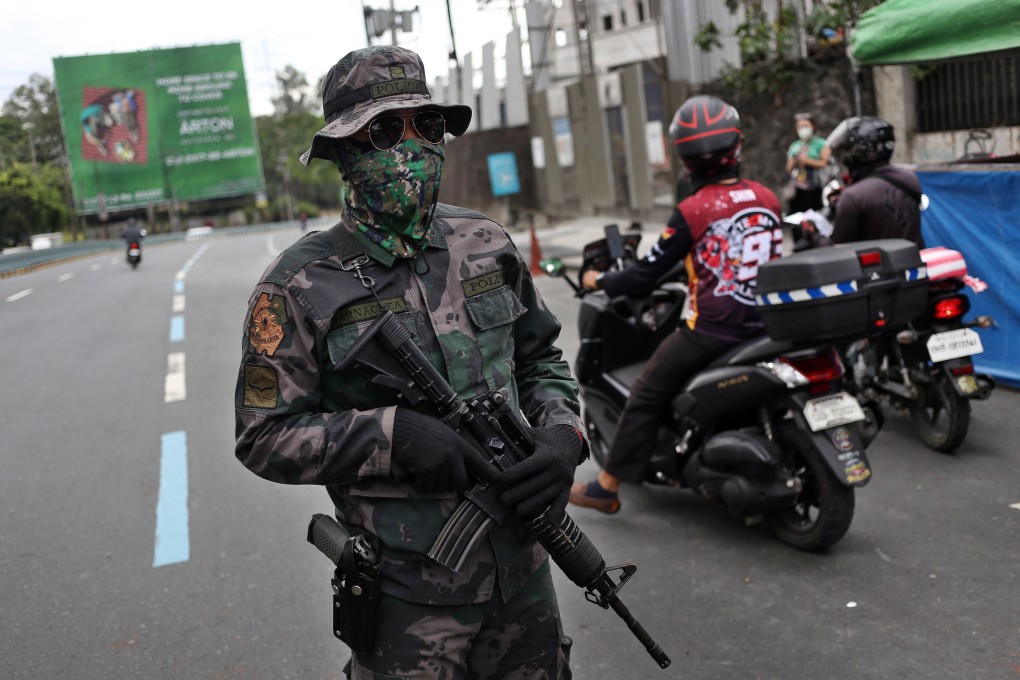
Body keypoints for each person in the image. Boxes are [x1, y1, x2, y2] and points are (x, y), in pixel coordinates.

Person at [233, 45, 585, 679]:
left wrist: (563, 434)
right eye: (385, 131)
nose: (413, 144)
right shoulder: (297, 284)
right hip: (407, 595)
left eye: (429, 125)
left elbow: (540, 357)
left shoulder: (483, 242)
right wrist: (390, 438)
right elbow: (262, 437)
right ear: (342, 154)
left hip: (524, 568)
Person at [570, 94, 783, 514]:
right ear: (736, 146)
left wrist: (601, 279)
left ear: (686, 158)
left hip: (715, 331)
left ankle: (607, 487)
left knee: (647, 392)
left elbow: (645, 273)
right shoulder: (768, 197)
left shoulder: (694, 210)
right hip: (768, 324)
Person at [818, 115, 925, 248]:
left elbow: (836, 249)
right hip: (913, 263)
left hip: (875, 268)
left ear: (857, 151)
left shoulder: (853, 197)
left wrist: (814, 236)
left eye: (846, 150)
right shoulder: (910, 178)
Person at [785, 113, 832, 213]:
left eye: (805, 126)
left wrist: (807, 161)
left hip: (817, 187)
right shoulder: (794, 146)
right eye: (799, 127)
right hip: (798, 188)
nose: (802, 129)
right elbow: (788, 169)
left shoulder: (821, 143)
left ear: (812, 126)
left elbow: (825, 163)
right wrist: (794, 161)